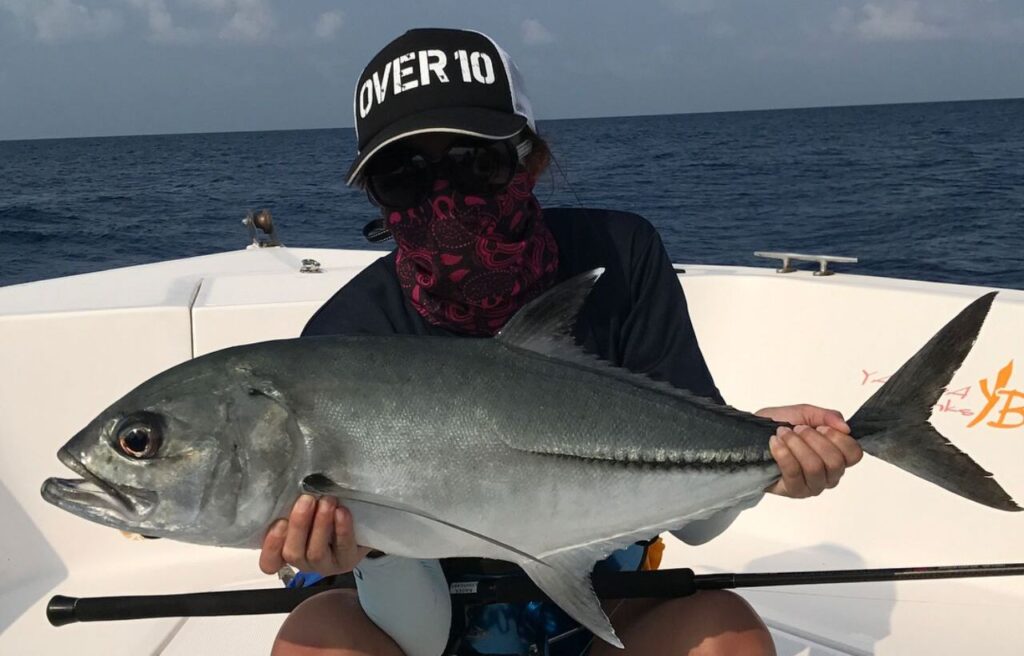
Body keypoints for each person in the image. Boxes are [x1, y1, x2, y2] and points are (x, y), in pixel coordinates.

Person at [259, 28, 863, 656]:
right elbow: (415, 626)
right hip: (416, 627)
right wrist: (366, 550)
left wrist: (763, 457)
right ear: (375, 196)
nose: (445, 199)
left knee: (724, 635)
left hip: (610, 604)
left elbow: (699, 525)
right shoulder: (348, 336)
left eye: (476, 162)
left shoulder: (620, 256)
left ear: (532, 160)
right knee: (313, 639)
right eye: (403, 177)